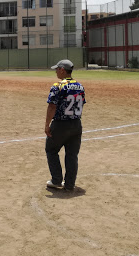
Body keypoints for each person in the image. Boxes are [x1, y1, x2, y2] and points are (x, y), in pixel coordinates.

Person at [45, 59, 86, 191]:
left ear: (62, 70)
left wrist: (47, 124)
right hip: (76, 124)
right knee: (72, 155)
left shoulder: (58, 85)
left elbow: (52, 106)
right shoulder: (80, 86)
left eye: (57, 69)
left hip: (61, 124)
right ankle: (69, 184)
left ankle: (56, 179)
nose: (56, 71)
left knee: (51, 150)